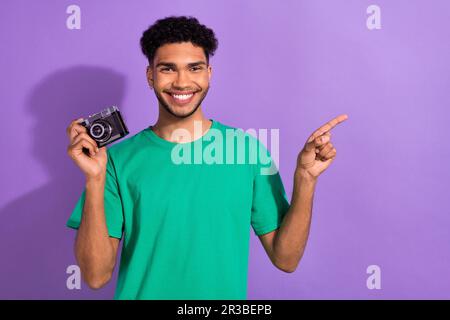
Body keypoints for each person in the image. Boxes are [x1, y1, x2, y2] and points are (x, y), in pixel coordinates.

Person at [66, 16, 348, 300]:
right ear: (150, 75)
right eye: (167, 69)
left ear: (209, 74)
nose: (182, 82)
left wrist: (305, 179)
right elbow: (95, 276)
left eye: (194, 68)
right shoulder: (116, 161)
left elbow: (286, 259)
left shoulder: (246, 152)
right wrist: (94, 179)